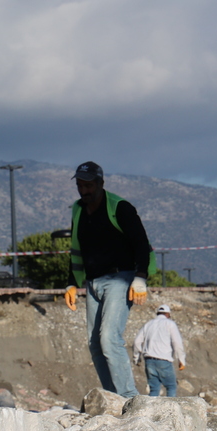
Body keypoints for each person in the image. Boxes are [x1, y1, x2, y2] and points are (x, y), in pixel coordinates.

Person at [62, 161, 152, 397]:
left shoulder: (120, 208)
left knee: (109, 337)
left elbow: (142, 244)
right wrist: (72, 282)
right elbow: (77, 248)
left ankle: (129, 398)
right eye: (80, 185)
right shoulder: (78, 209)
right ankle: (111, 396)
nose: (84, 190)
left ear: (101, 183)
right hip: (93, 282)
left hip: (120, 278)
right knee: (94, 344)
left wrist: (140, 277)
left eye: (89, 185)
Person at [133, 303, 186, 397]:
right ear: (168, 314)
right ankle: (170, 410)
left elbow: (137, 342)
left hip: (149, 360)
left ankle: (152, 410)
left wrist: (137, 358)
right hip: (164, 360)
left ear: (158, 313)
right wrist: (181, 360)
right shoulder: (170, 324)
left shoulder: (148, 324)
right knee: (171, 386)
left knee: (154, 389)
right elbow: (177, 343)